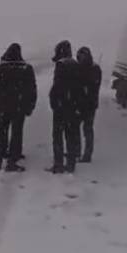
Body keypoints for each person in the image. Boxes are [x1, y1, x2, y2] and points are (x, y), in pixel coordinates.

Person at [0, 43, 37, 172]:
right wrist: (30, 105)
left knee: (1, 132)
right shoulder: (26, 68)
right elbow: (31, 89)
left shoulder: (0, 67)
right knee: (17, 132)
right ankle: (12, 160)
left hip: (3, 106)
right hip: (19, 107)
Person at [48, 40, 79, 173]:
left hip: (61, 106)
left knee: (58, 135)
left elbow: (57, 87)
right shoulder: (75, 64)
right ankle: (71, 164)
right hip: (72, 106)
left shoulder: (61, 65)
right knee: (70, 134)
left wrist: (54, 102)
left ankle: (58, 164)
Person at [75, 46, 102, 163]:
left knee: (82, 128)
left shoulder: (83, 68)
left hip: (84, 104)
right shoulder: (95, 68)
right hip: (88, 104)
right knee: (86, 129)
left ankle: (81, 152)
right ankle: (83, 153)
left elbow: (84, 86)